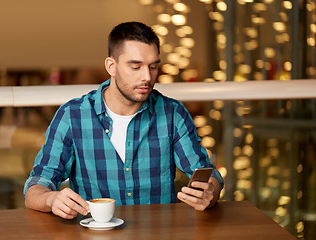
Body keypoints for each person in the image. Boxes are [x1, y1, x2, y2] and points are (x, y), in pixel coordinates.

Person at [24, 21, 224, 219]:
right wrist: (52, 199)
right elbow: (36, 188)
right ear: (111, 66)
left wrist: (210, 193)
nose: (147, 77)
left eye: (153, 67)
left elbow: (208, 175)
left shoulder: (173, 113)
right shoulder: (72, 115)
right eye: (135, 67)